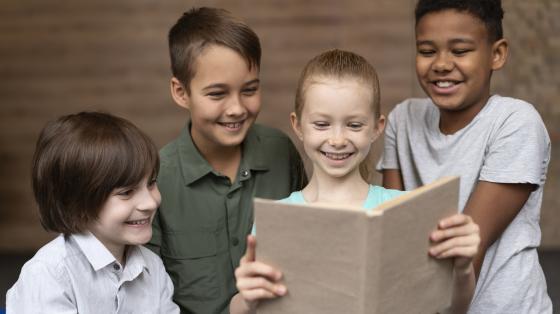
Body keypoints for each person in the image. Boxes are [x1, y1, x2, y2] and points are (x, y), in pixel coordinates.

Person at [230, 49, 481, 314]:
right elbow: (243, 308)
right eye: (322, 124)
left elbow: (455, 308)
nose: (338, 140)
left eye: (354, 125)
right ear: (298, 125)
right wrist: (247, 298)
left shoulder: (399, 210)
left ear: (376, 127)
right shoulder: (279, 218)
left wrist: (463, 267)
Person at [378, 0, 553, 313]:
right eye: (427, 50)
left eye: (460, 51)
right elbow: (393, 233)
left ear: (496, 54)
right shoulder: (402, 120)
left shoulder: (515, 122)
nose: (442, 64)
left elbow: (468, 252)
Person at [145, 7, 307, 313]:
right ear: (181, 92)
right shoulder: (156, 178)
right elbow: (145, 296)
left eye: (250, 90)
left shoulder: (281, 152)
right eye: (217, 94)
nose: (236, 108)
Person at [6, 112, 179, 314]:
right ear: (76, 204)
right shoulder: (49, 274)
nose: (150, 203)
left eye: (151, 183)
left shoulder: (153, 267)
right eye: (126, 193)